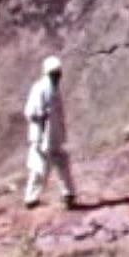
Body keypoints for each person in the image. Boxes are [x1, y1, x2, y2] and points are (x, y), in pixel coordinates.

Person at [23, 55, 76, 208]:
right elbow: (29, 112)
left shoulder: (55, 89)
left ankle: (68, 194)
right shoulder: (39, 88)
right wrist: (40, 116)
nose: (57, 76)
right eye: (54, 73)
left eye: (58, 73)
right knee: (38, 168)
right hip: (41, 136)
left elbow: (59, 114)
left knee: (62, 163)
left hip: (55, 136)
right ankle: (31, 198)